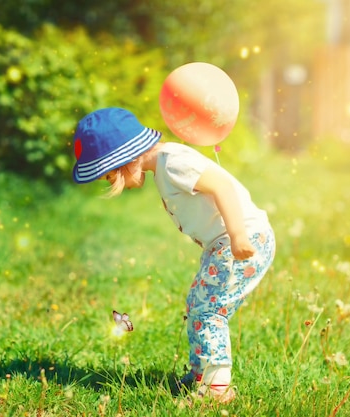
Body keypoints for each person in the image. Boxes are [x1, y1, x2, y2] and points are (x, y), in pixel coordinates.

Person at [72, 107, 275, 403]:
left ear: (123, 159)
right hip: (221, 244)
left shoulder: (173, 162)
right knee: (197, 303)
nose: (109, 181)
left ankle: (217, 389)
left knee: (208, 310)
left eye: (109, 174)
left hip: (241, 239)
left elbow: (222, 185)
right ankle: (202, 371)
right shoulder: (165, 168)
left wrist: (237, 235)